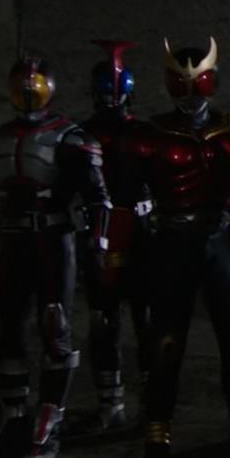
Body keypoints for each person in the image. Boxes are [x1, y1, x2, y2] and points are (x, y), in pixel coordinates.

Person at [120, 37, 230, 458]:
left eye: (198, 83)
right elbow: (125, 198)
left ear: (212, 81)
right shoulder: (150, 138)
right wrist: (120, 254)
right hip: (174, 243)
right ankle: (157, 443)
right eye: (181, 84)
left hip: (221, 240)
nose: (190, 93)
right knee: (165, 345)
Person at [0, 54, 111, 458]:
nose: (28, 93)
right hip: (13, 241)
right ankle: (13, 421)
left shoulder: (69, 138)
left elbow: (97, 198)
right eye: (21, 87)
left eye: (35, 86)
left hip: (53, 239)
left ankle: (48, 421)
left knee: (54, 326)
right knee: (5, 328)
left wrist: (98, 245)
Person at [79, 40, 153, 430]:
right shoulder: (81, 134)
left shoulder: (145, 134)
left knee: (145, 320)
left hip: (138, 233)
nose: (110, 99)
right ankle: (111, 405)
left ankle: (151, 404)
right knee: (104, 320)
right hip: (101, 233)